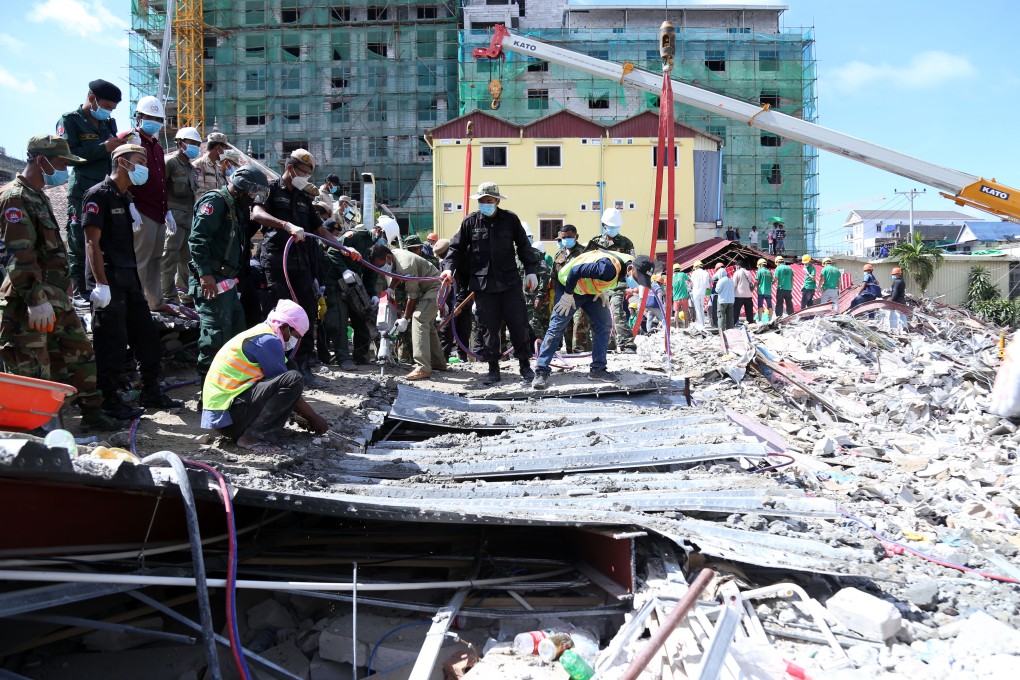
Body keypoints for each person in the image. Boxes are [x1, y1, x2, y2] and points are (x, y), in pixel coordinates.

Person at [0, 135, 128, 431]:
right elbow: (20, 253)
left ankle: (92, 414)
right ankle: (31, 431)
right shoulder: (14, 198)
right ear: (40, 159)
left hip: (54, 295)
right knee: (32, 368)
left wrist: (64, 286)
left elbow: (52, 249)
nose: (64, 170)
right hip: (28, 301)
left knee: (79, 354)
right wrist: (35, 297)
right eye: (60, 162)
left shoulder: (38, 194)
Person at [82, 143, 183, 414]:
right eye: (140, 161)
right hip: (108, 279)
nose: (146, 168)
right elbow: (92, 242)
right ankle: (110, 403)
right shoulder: (98, 195)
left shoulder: (126, 197)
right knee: (111, 343)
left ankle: (151, 393)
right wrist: (101, 285)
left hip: (129, 279)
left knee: (147, 338)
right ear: (123, 163)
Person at [251, 148, 346, 385]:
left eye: (309, 174)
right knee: (278, 313)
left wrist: (344, 248)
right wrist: (285, 225)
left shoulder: (304, 197)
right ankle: (274, 368)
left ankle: (302, 366)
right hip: (276, 260)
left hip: (301, 262)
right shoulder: (270, 189)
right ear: (290, 168)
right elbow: (256, 213)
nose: (305, 177)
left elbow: (320, 229)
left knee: (306, 313)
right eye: (302, 172)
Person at [440, 182, 539, 386]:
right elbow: (456, 248)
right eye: (482, 201)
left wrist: (531, 271)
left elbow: (524, 246)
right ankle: (493, 368)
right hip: (483, 285)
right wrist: (448, 268)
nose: (485, 204)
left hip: (509, 282)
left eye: (489, 201)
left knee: (518, 325)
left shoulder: (510, 220)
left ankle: (525, 366)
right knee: (488, 328)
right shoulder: (470, 222)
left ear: (496, 201)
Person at [201, 299, 328, 454]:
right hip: (228, 418)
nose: (295, 341)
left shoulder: (262, 333)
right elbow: (287, 384)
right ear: (285, 327)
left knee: (291, 367)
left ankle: (267, 430)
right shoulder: (267, 341)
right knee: (293, 379)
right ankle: (252, 436)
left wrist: (301, 415)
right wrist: (314, 418)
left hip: (226, 416)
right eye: (296, 335)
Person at [189, 165, 271, 380]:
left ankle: (231, 385)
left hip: (227, 280)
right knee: (215, 335)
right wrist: (204, 274)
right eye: (253, 192)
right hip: (211, 279)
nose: (254, 198)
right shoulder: (216, 202)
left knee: (236, 332)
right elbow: (198, 240)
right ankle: (207, 393)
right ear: (242, 187)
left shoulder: (236, 207)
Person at [532, 252, 647, 389]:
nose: (638, 282)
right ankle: (541, 370)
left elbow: (599, 271)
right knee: (556, 327)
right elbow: (575, 271)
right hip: (569, 285)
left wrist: (601, 290)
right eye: (638, 278)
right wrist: (568, 295)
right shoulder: (609, 268)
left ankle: (598, 369)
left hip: (589, 291)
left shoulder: (630, 262)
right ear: (630, 269)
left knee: (604, 324)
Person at [57, 79, 123, 306]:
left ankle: (100, 286)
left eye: (113, 109)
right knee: (79, 242)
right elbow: (67, 155)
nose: (109, 112)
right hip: (82, 191)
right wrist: (103, 148)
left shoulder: (107, 124)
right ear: (92, 99)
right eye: (107, 106)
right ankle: (79, 292)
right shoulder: (70, 120)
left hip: (105, 191)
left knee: (104, 242)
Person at [125, 95, 174, 311]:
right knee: (140, 260)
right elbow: (122, 173)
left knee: (156, 258)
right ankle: (136, 303)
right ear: (138, 117)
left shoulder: (157, 146)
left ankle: (155, 301)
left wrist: (167, 209)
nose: (154, 122)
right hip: (141, 207)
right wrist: (129, 204)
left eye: (158, 119)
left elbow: (161, 180)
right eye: (149, 117)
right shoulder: (130, 140)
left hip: (158, 210)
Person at [369, 244, 444, 380]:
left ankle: (423, 368)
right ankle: (439, 363)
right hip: (427, 288)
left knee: (419, 318)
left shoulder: (406, 265)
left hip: (435, 287)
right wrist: (390, 289)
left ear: (388, 257)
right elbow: (397, 274)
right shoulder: (394, 255)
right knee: (429, 325)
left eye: (381, 266)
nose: (381, 270)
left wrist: (406, 318)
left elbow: (413, 296)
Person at [584, 207, 637, 353]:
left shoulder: (626, 243)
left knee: (616, 310)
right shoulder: (595, 242)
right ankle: (607, 345)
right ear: (604, 225)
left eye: (616, 227)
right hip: (599, 285)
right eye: (611, 226)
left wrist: (631, 278)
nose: (614, 229)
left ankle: (627, 344)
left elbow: (631, 264)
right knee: (600, 315)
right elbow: (587, 262)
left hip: (618, 282)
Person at [161, 126, 202, 307]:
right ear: (179, 143)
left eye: (197, 144)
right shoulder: (170, 163)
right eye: (191, 143)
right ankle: (166, 295)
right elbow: (160, 189)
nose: (194, 147)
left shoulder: (192, 169)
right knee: (169, 257)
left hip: (189, 220)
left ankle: (184, 295)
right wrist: (164, 212)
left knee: (187, 261)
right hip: (173, 219)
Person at [551, 225, 584, 352]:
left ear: (576, 236)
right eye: (563, 238)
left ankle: (580, 351)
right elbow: (554, 275)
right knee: (566, 325)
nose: (566, 240)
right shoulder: (559, 254)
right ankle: (570, 351)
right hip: (563, 294)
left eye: (570, 237)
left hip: (580, 293)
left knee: (580, 323)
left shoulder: (583, 252)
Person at [194, 131, 230, 196]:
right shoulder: (200, 165)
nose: (226, 152)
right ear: (218, 147)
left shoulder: (218, 167)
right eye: (225, 148)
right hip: (206, 204)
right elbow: (198, 191)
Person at [690, 260, 710, 328]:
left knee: (697, 308)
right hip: (703, 292)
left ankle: (700, 323)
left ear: (695, 267)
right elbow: (708, 285)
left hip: (695, 292)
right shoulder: (706, 273)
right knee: (701, 307)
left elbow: (691, 284)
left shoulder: (693, 273)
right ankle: (703, 322)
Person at [714, 265, 735, 331]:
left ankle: (721, 331)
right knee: (730, 317)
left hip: (722, 301)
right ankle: (730, 331)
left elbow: (717, 290)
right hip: (731, 301)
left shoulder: (721, 281)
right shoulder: (731, 281)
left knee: (721, 316)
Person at [671, 263, 690, 328]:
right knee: (685, 311)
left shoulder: (672, 277)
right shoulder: (683, 274)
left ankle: (677, 326)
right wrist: (690, 288)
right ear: (679, 269)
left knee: (676, 312)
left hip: (676, 298)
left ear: (673, 270)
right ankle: (686, 326)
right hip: (684, 297)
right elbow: (690, 280)